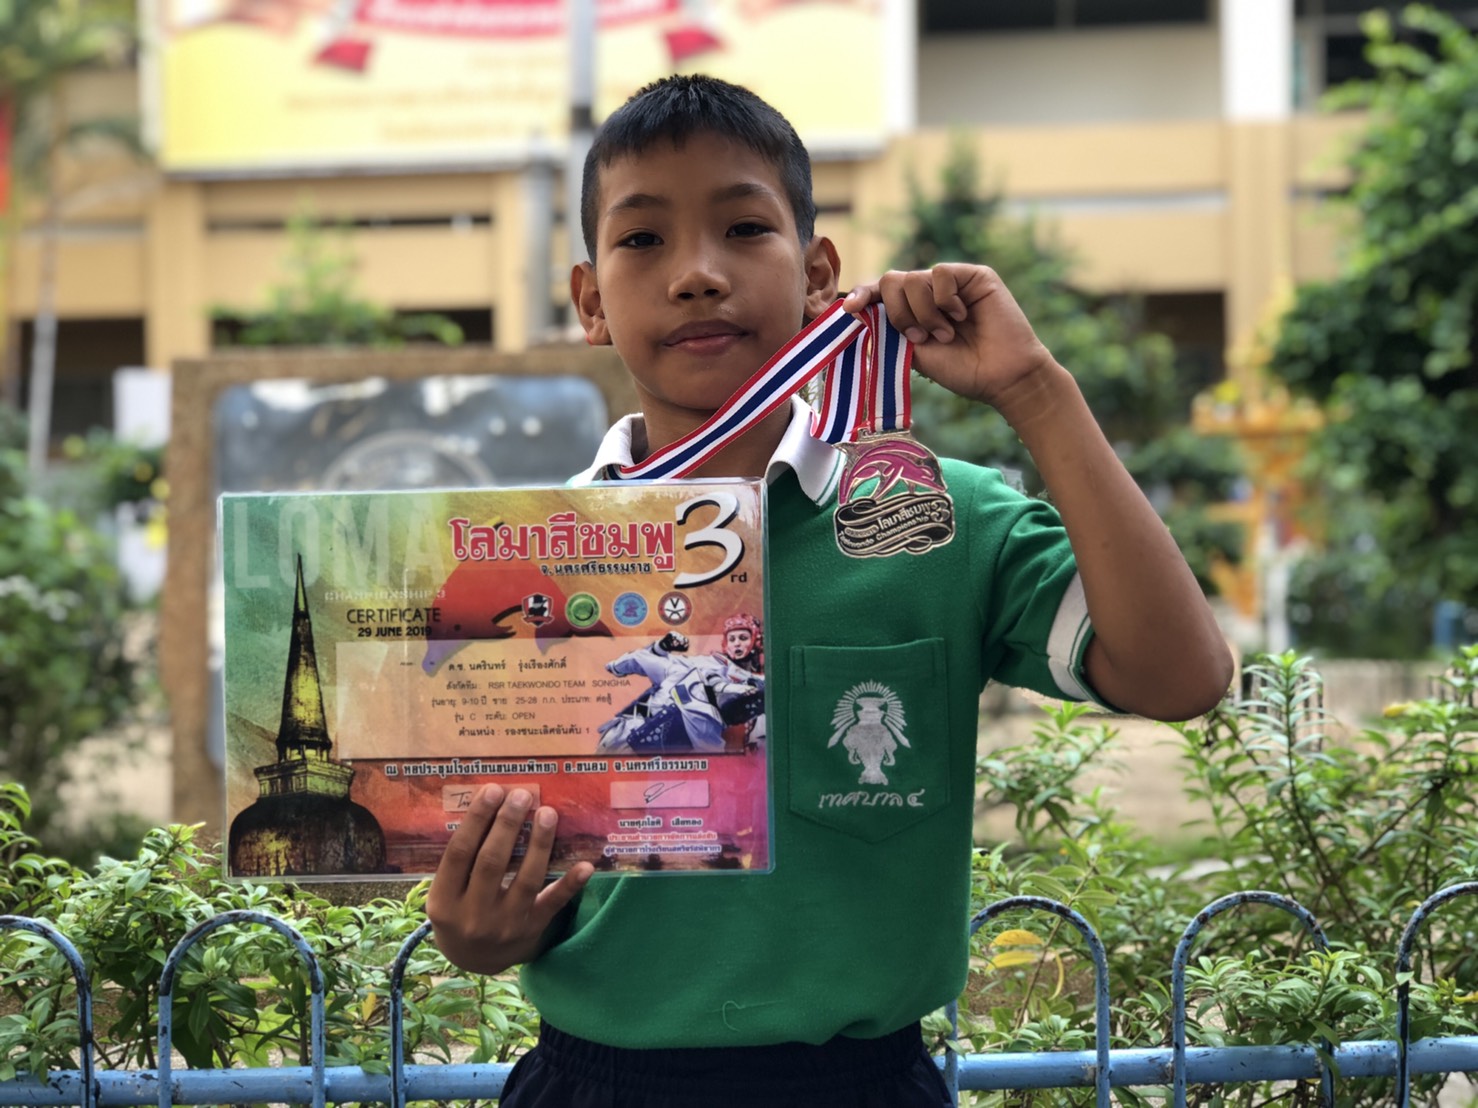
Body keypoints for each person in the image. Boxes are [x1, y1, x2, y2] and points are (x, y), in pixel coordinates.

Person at [427, 74, 1233, 1107]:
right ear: (589, 301)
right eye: (643, 239)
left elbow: (1181, 676)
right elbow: (504, 882)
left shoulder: (936, 518)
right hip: (594, 1081)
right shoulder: (525, 566)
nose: (697, 274)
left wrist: (1034, 389)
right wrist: (476, 934)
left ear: (817, 274)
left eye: (743, 228)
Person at [594, 624, 765, 754]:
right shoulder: (695, 668)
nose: (737, 644)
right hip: (623, 735)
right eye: (732, 639)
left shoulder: (711, 736)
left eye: (743, 638)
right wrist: (661, 647)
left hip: (656, 762)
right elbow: (638, 659)